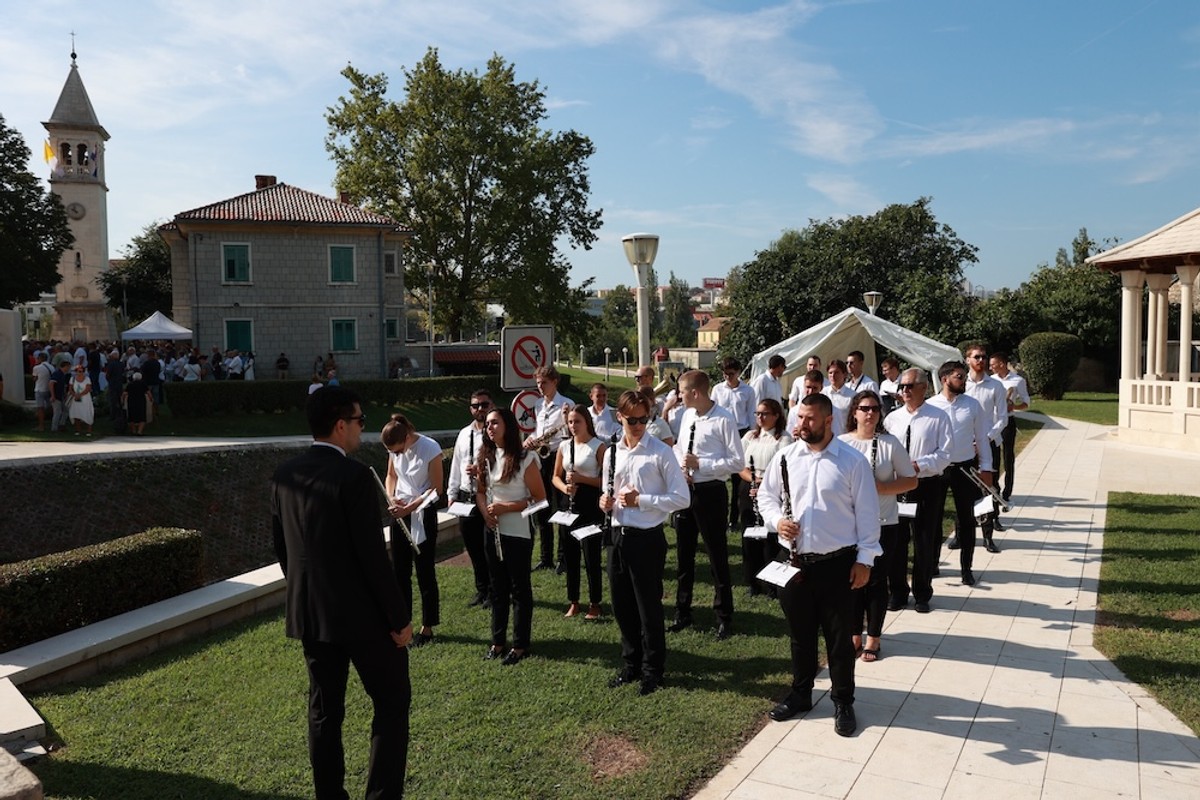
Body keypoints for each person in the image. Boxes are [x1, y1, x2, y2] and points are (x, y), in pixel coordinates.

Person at [271, 387, 412, 800]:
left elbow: (283, 551)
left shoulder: (284, 475)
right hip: (363, 618)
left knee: (324, 712)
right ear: (339, 425)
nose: (362, 429)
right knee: (391, 703)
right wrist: (399, 619)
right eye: (359, 422)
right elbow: (372, 558)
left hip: (312, 615)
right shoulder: (353, 477)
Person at [757, 393, 881, 736]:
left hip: (837, 565)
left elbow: (868, 516)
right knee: (800, 635)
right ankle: (801, 694)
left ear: (828, 420)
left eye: (809, 419)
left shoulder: (851, 462)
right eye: (799, 418)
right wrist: (775, 521)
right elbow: (766, 497)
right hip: (793, 562)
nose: (801, 425)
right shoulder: (786, 456)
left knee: (840, 640)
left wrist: (865, 560)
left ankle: (843, 701)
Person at [600, 389, 690, 696]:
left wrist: (643, 500)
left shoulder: (660, 452)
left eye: (644, 419)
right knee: (621, 606)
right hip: (616, 536)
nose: (639, 425)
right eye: (633, 419)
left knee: (648, 608)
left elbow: (681, 498)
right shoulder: (612, 451)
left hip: (647, 538)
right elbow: (608, 491)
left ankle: (653, 670)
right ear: (620, 417)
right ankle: (631, 664)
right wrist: (605, 501)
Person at [839, 390, 917, 662]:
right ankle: (853, 633)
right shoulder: (841, 443)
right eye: (864, 408)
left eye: (874, 408)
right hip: (848, 526)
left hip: (884, 524)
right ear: (854, 412)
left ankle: (873, 637)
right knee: (851, 581)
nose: (869, 412)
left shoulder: (889, 443)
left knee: (875, 581)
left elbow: (911, 480)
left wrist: (883, 487)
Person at [671, 369, 745, 640]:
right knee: (684, 553)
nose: (679, 397)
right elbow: (680, 446)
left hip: (711, 492)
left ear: (695, 393)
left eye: (682, 392)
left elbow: (737, 461)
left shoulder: (724, 419)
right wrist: (681, 465)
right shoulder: (687, 415)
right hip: (686, 490)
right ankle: (683, 609)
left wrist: (702, 464)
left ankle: (724, 615)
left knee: (716, 555)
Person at [477, 407, 546, 665]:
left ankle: (519, 645)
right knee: (497, 589)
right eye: (487, 425)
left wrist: (508, 507)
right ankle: (497, 642)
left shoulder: (525, 458)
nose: (489, 428)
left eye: (494, 423)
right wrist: (486, 514)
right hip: (492, 531)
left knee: (519, 589)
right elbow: (481, 492)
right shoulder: (486, 455)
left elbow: (540, 500)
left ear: (508, 425)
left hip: (517, 533)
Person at [882, 368, 952, 613]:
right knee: (896, 540)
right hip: (897, 486)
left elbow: (945, 454)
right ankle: (898, 591)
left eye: (910, 386)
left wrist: (918, 465)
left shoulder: (938, 417)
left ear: (924, 387)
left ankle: (922, 592)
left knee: (924, 539)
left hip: (925, 485)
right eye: (902, 386)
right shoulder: (892, 419)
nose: (905, 391)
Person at [927, 361, 993, 586]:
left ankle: (967, 568)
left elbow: (982, 438)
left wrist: (987, 468)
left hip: (965, 468)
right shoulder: (931, 405)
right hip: (937, 469)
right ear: (945, 379)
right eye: (959, 376)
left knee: (967, 520)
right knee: (933, 519)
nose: (964, 380)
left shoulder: (972, 405)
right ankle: (933, 563)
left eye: (964, 376)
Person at [382, 413, 444, 648]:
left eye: (398, 451)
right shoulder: (394, 447)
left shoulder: (430, 447)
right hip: (400, 513)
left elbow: (437, 488)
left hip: (422, 513)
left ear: (407, 437)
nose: (396, 455)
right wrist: (392, 497)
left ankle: (427, 627)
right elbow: (390, 475)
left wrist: (411, 507)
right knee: (400, 572)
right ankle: (402, 623)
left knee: (425, 570)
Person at [552, 406, 608, 619]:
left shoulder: (598, 446)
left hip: (590, 506)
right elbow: (555, 476)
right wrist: (564, 487)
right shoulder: (564, 446)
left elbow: (605, 480)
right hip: (569, 506)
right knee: (570, 555)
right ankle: (574, 601)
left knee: (591, 556)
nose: (573, 426)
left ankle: (595, 603)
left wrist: (581, 479)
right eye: (570, 422)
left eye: (577, 422)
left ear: (587, 422)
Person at [737, 398, 792, 597]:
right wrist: (753, 480)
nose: (760, 417)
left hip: (771, 488)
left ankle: (771, 584)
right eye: (758, 413)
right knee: (749, 535)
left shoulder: (783, 438)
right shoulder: (750, 436)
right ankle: (752, 580)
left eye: (765, 413)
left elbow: (782, 466)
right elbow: (739, 465)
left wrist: (761, 483)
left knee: (769, 538)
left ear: (776, 415)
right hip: (749, 487)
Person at [447, 389, 495, 608]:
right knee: (473, 547)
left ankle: (495, 591)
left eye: (484, 405)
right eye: (476, 406)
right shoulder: (464, 433)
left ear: (491, 405)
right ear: (470, 409)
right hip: (466, 497)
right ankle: (481, 589)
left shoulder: (495, 432)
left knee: (489, 547)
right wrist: (451, 494)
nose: (480, 409)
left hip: (488, 495)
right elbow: (456, 464)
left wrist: (482, 472)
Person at [523, 365, 573, 572]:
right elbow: (538, 431)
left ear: (555, 382)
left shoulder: (567, 404)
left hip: (558, 458)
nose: (540, 387)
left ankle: (563, 557)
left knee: (561, 508)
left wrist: (565, 418)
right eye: (538, 384)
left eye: (544, 383)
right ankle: (546, 557)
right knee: (541, 507)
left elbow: (569, 434)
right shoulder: (538, 405)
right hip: (540, 458)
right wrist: (531, 439)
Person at [961, 344, 1008, 540]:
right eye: (977, 357)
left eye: (983, 357)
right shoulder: (961, 384)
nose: (981, 360)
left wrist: (986, 438)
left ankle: (988, 531)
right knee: (963, 489)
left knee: (988, 487)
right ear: (968, 360)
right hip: (964, 445)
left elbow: (1002, 417)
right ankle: (963, 532)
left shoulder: (995, 385)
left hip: (988, 442)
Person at [711, 357, 756, 530]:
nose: (728, 377)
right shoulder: (717, 389)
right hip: (722, 434)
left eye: (731, 374)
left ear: (738, 372)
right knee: (719, 475)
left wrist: (753, 435)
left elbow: (751, 414)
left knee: (738, 478)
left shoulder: (747, 391)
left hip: (741, 432)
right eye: (725, 374)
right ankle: (718, 516)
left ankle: (734, 518)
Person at [989, 352, 1030, 502]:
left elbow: (1026, 402)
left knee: (1008, 457)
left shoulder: (1018, 381)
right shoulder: (990, 381)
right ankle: (995, 490)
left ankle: (1007, 491)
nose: (990, 367)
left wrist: (1015, 407)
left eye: (992, 364)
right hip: (992, 423)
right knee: (993, 458)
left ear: (1001, 363)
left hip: (1008, 422)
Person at [785, 370, 826, 436]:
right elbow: (789, 435)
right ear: (803, 386)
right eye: (808, 387)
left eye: (815, 388)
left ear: (821, 388)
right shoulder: (794, 411)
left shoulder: (827, 410)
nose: (810, 391)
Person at [822, 359, 855, 436]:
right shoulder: (822, 394)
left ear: (845, 374)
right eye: (830, 373)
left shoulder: (853, 396)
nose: (833, 376)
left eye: (836, 372)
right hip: (825, 439)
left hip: (845, 438)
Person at [122, 371, 154, 435]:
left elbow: (124, 394)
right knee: (142, 416)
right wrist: (151, 399)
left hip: (131, 401)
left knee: (132, 417)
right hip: (141, 401)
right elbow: (148, 393)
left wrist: (122, 401)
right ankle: (139, 431)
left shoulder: (130, 384)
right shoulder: (143, 384)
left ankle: (133, 431)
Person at [68, 365, 95, 435]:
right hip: (75, 398)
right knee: (76, 413)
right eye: (77, 371)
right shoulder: (72, 379)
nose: (79, 373)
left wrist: (80, 395)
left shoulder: (87, 379)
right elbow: (70, 388)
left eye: (81, 371)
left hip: (85, 398)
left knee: (87, 412)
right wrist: (74, 394)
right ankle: (78, 430)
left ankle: (89, 431)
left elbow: (88, 388)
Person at [105, 350, 127, 434]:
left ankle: (113, 415)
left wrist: (109, 379)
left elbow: (108, 374)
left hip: (113, 384)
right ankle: (121, 414)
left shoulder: (111, 364)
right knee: (120, 400)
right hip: (119, 384)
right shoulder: (121, 364)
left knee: (112, 400)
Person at [32, 352, 53, 431]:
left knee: (40, 408)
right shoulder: (51, 367)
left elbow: (34, 379)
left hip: (39, 389)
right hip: (49, 389)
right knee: (50, 407)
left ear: (39, 358)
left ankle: (41, 426)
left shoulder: (37, 368)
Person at [49, 361, 71, 433]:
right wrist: (52, 395)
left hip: (61, 396)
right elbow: (51, 384)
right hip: (56, 396)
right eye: (68, 367)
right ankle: (54, 428)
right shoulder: (57, 374)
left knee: (66, 410)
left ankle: (62, 424)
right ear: (65, 366)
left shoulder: (63, 375)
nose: (69, 369)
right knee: (57, 412)